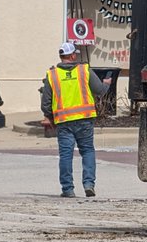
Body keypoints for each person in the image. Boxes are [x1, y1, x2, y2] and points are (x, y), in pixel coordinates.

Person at [41, 41, 109, 198]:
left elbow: (45, 103)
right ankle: (89, 184)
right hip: (84, 120)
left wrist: (50, 118)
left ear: (61, 56)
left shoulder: (52, 75)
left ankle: (68, 189)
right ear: (72, 55)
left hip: (63, 122)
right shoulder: (84, 70)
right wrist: (106, 84)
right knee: (87, 151)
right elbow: (99, 91)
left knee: (66, 155)